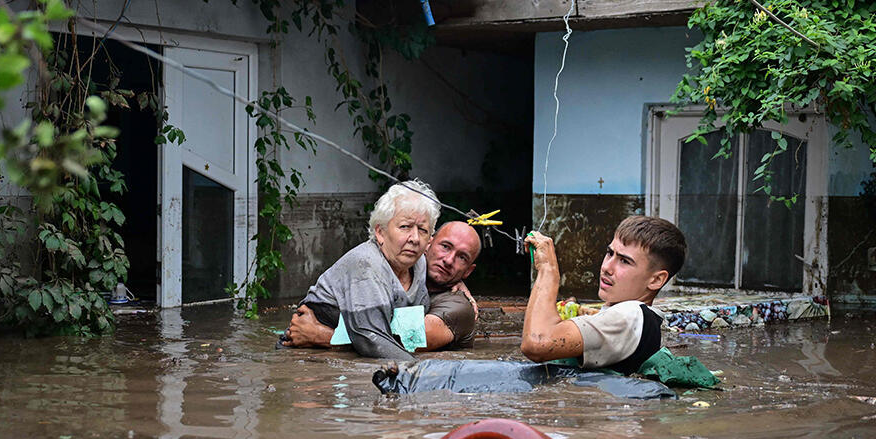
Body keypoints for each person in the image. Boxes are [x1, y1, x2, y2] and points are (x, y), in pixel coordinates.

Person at [292, 179, 439, 360]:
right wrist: (425, 373)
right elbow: (372, 341)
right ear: (380, 232)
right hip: (310, 359)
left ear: (429, 240)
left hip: (339, 348)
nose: (415, 238)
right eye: (405, 227)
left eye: (423, 230)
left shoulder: (420, 264)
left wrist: (460, 285)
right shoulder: (366, 264)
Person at [519, 216, 686, 374]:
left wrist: (548, 269)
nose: (607, 267)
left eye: (624, 261)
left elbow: (536, 343)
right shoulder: (643, 319)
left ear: (656, 279)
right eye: (610, 253)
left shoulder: (629, 314)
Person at [285, 220, 482, 351]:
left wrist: (319, 336)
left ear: (468, 271)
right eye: (445, 247)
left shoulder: (459, 307)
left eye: (461, 257)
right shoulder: (398, 273)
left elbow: (405, 342)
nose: (448, 260)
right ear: (427, 244)